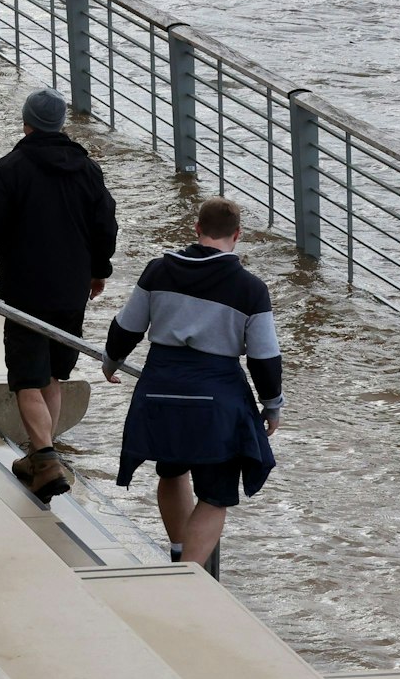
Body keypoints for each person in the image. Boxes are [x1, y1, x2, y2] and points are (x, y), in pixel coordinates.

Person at [0, 88, 118, 500]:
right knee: (51, 375)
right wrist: (98, 271)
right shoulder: (87, 170)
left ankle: (46, 458)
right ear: (61, 124)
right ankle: (40, 459)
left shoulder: (10, 168)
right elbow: (106, 226)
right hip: (72, 291)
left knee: (26, 380)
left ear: (26, 121)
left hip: (26, 291)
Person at [103, 197, 281, 577]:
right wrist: (272, 404)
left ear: (197, 229)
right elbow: (264, 358)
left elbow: (127, 326)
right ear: (237, 235)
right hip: (216, 395)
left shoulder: (157, 272)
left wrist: (111, 360)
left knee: (171, 471)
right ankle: (190, 576)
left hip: (161, 388)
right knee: (216, 495)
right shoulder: (250, 289)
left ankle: (178, 552)